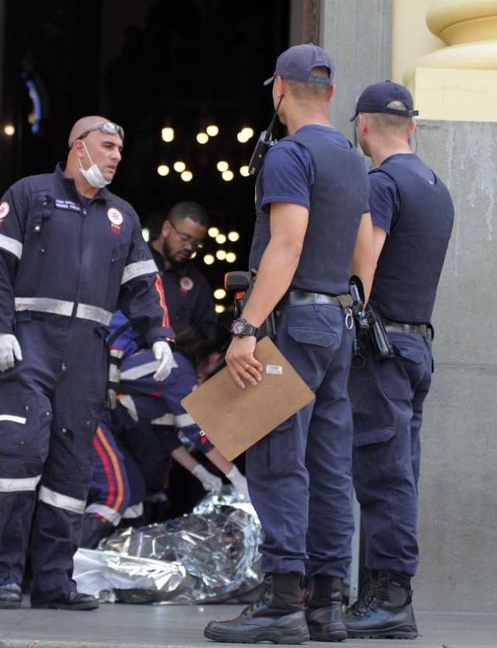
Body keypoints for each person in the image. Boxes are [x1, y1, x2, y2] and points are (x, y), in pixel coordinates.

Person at [203, 44, 375, 645]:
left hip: (294, 325)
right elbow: (364, 253)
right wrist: (349, 308)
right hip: (335, 323)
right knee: (329, 466)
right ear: (329, 93)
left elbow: (286, 245)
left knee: (280, 462)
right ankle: (327, 605)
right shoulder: (354, 160)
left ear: (279, 89)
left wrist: (247, 328)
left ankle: (281, 604)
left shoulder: (289, 154)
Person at [0, 116, 175, 611]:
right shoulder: (29, 194)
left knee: (71, 473)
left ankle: (53, 583)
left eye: (119, 151)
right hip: (29, 344)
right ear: (77, 147)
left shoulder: (121, 216)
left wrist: (159, 336)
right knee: (16, 458)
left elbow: (143, 286)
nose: (114, 157)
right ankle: (4, 575)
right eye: (106, 146)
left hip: (86, 352)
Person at [343, 81, 454, 639]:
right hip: (417, 345)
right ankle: (380, 596)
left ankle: (388, 600)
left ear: (362, 126)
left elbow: (366, 263)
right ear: (412, 125)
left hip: (383, 351)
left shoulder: (381, 184)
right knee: (400, 469)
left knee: (384, 474)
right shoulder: (436, 187)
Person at [81, 320, 247, 548]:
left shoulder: (172, 370)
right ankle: (72, 565)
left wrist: (202, 473)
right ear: (215, 358)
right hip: (91, 416)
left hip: (102, 419)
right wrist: (236, 476)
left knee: (134, 494)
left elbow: (166, 436)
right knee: (114, 495)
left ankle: (105, 559)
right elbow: (197, 432)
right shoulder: (179, 371)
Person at [149, 201, 217, 341]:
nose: (189, 247)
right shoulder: (135, 260)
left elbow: (207, 333)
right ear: (166, 228)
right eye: (185, 237)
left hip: (175, 358)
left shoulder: (198, 284)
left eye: (196, 243)